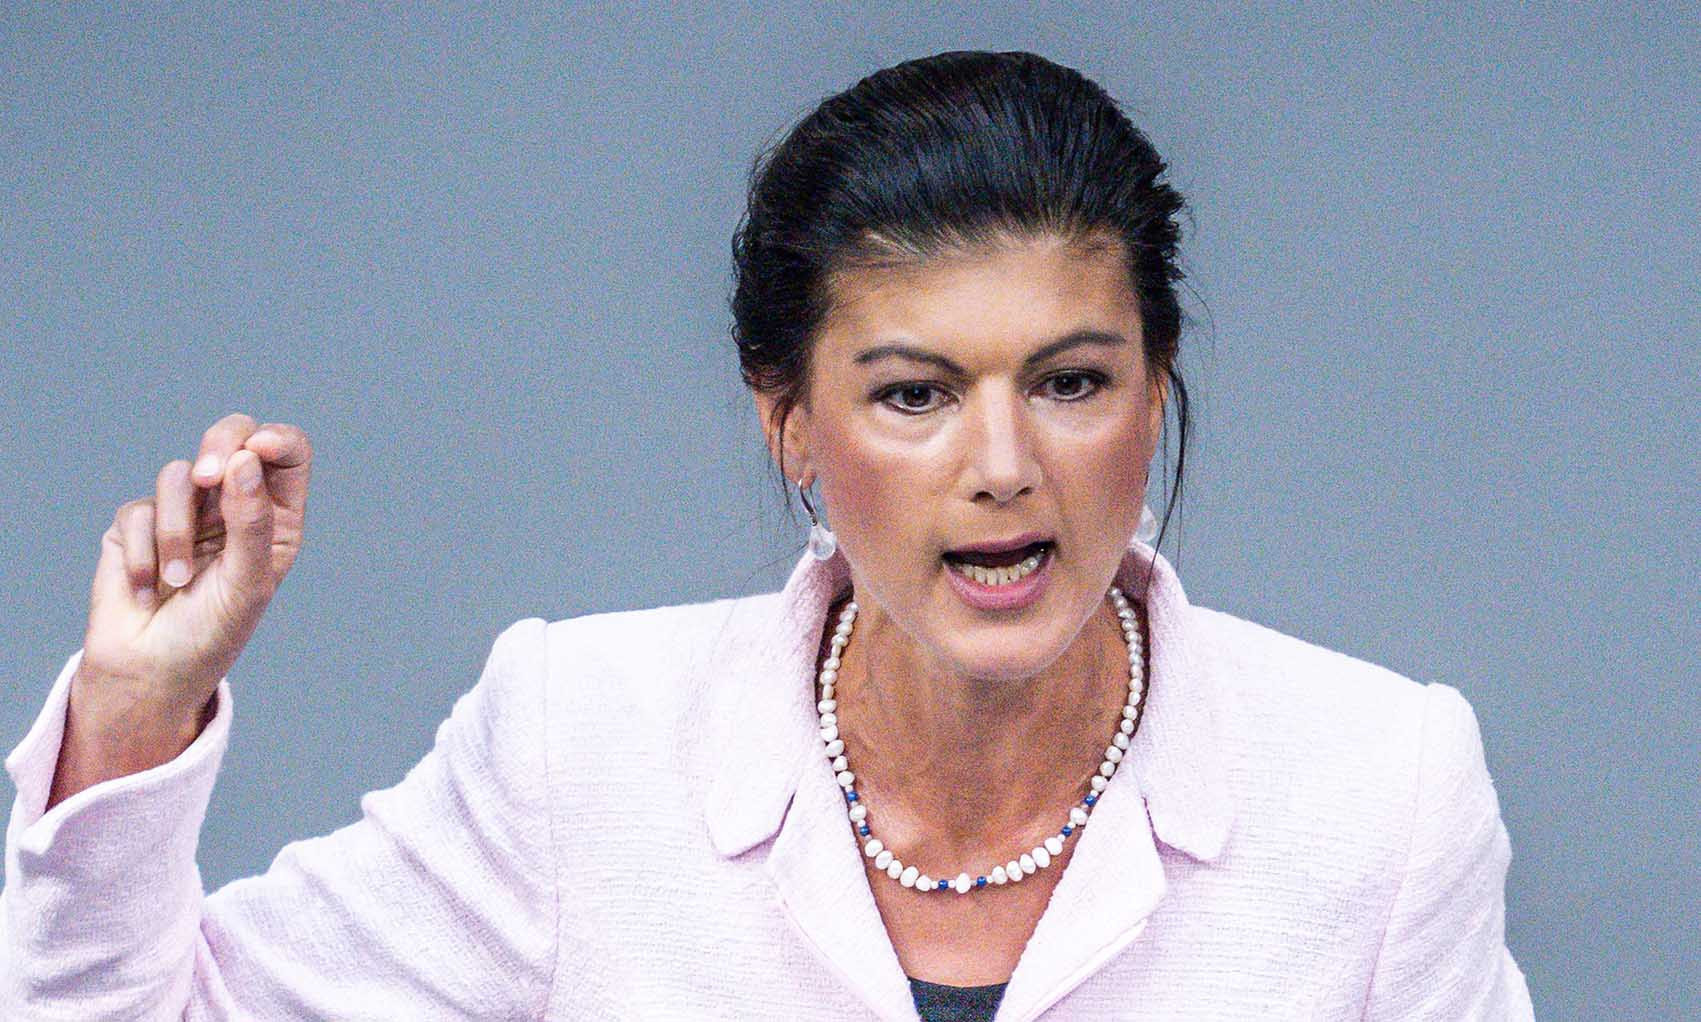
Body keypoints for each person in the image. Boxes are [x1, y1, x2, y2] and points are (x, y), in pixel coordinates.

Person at [0, 50, 1533, 1021]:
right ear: (789, 422)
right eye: (914, 393)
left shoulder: (1380, 790)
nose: (1004, 466)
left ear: (1154, 387)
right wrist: (132, 717)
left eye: (1070, 381)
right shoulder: (579, 744)